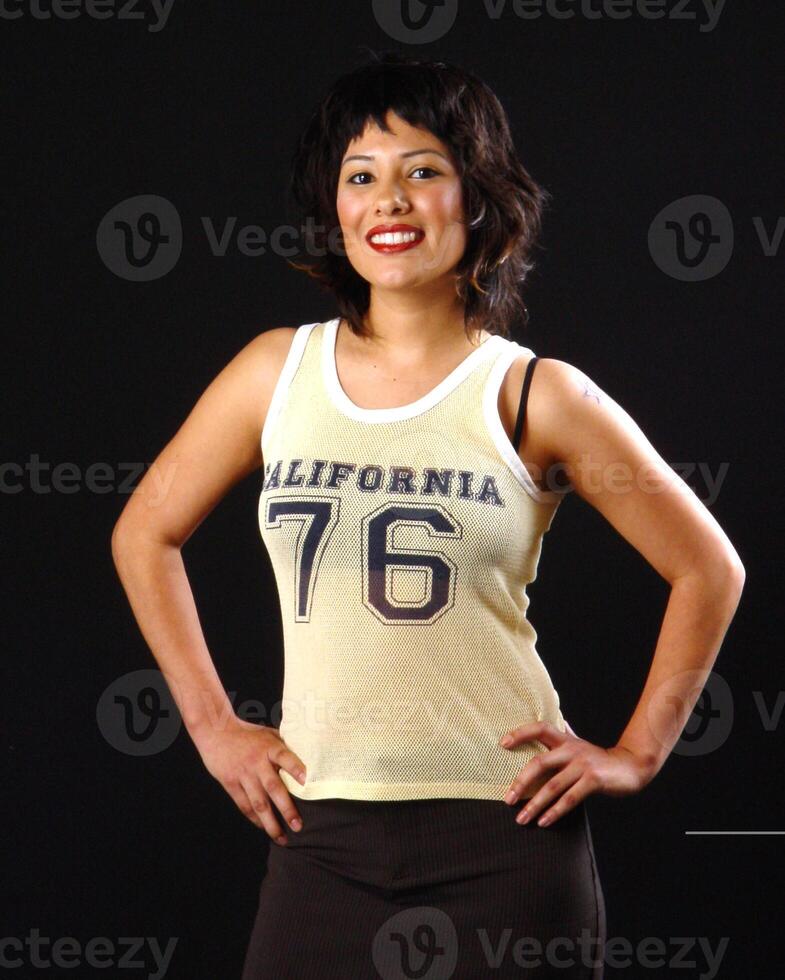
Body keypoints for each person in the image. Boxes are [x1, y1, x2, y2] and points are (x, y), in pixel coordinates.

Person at [111, 52, 746, 980]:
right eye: (360, 178)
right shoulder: (273, 374)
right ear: (335, 209)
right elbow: (144, 533)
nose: (389, 202)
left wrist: (636, 751)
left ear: (477, 197)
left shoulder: (537, 394)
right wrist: (212, 726)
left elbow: (709, 568)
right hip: (319, 831)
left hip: (508, 835)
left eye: (424, 172)